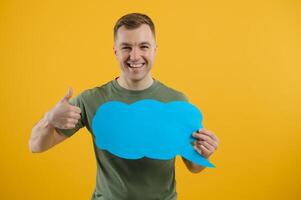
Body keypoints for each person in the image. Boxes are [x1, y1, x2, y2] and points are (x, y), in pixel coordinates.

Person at [29, 13, 220, 200]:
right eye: (126, 47)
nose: (135, 56)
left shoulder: (177, 101)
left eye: (143, 46)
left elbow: (193, 166)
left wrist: (205, 153)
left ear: (155, 49)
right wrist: (49, 119)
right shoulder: (91, 100)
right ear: (115, 51)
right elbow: (36, 146)